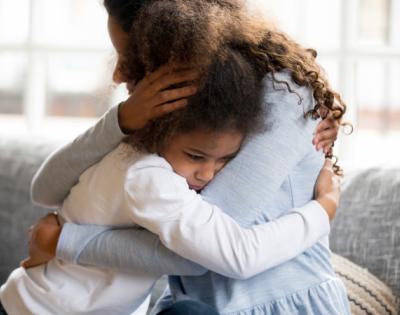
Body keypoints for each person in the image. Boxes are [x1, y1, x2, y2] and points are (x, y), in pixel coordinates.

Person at [12, 1, 347, 314]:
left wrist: (64, 240)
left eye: (127, 55)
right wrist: (122, 119)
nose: (117, 75)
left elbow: (208, 252)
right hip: (193, 303)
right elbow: (44, 190)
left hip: (277, 304)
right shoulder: (176, 114)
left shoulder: (283, 91)